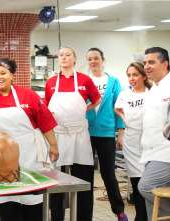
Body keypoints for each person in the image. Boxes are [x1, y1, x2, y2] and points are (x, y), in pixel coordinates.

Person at [0, 57, 59, 221]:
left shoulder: (28, 95)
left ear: (12, 75)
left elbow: (45, 122)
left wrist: (53, 145)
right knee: (8, 205)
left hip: (29, 157)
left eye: (3, 73)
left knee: (32, 203)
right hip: (1, 162)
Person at [45, 46, 102, 221]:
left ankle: (84, 217)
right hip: (58, 134)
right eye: (61, 55)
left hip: (79, 134)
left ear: (75, 58)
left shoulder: (85, 80)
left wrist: (84, 109)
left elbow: (97, 99)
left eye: (68, 55)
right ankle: (56, 216)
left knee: (83, 178)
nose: (63, 58)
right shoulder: (51, 82)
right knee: (55, 180)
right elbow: (47, 107)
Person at [86, 47, 128, 221]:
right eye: (89, 59)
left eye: (96, 58)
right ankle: (85, 213)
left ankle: (119, 211)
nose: (93, 62)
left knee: (108, 174)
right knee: (86, 175)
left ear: (103, 60)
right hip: (85, 133)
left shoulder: (114, 81)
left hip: (106, 133)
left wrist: (120, 133)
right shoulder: (83, 80)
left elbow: (119, 109)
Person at [114, 62, 151, 221]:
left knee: (148, 182)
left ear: (144, 76)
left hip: (149, 141)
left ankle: (149, 215)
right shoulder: (124, 95)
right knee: (137, 181)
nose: (131, 78)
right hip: (131, 141)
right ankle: (140, 216)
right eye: (129, 75)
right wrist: (125, 121)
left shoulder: (151, 93)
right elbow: (117, 108)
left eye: (135, 75)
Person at [138, 47, 170, 220]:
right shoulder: (153, 89)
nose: (147, 66)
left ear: (165, 64)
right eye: (145, 63)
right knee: (151, 203)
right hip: (151, 151)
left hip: (166, 152)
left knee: (146, 187)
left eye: (152, 62)